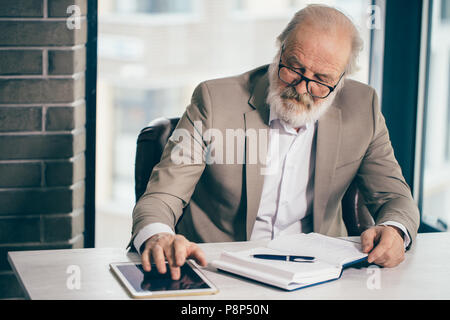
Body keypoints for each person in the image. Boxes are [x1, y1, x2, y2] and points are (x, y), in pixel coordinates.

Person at [129, 4, 420, 280]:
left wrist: (394, 230)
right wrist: (158, 235)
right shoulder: (213, 101)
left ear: (341, 79)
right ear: (279, 49)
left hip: (320, 275)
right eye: (294, 67)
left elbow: (395, 197)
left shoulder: (363, 107)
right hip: (219, 270)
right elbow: (162, 196)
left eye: (321, 79)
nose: (302, 88)